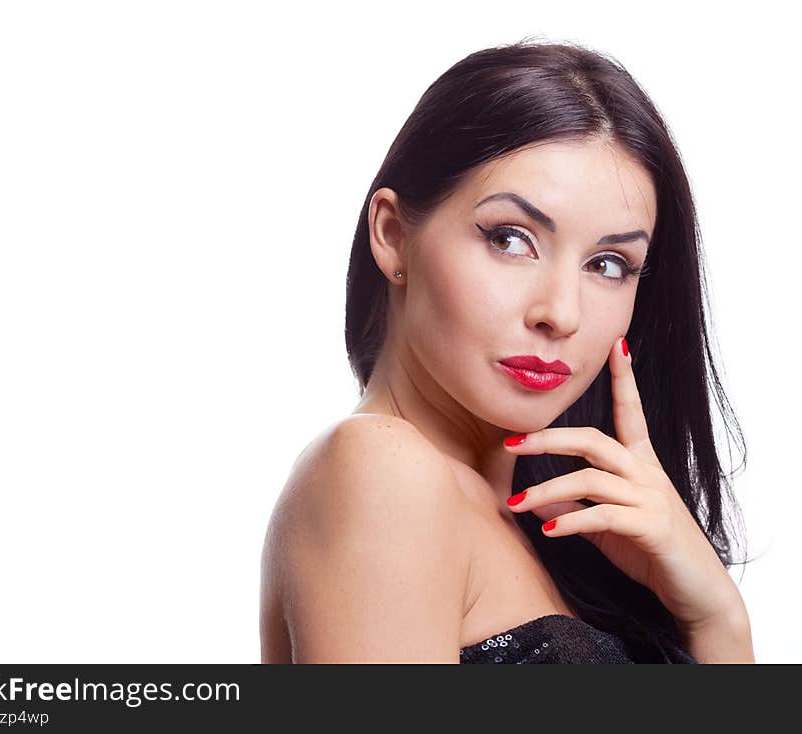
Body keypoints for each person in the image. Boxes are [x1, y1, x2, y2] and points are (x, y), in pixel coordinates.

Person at [259, 38, 754, 663]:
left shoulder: (573, 533)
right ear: (392, 235)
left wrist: (716, 619)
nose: (561, 313)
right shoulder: (380, 471)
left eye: (608, 264)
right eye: (511, 240)